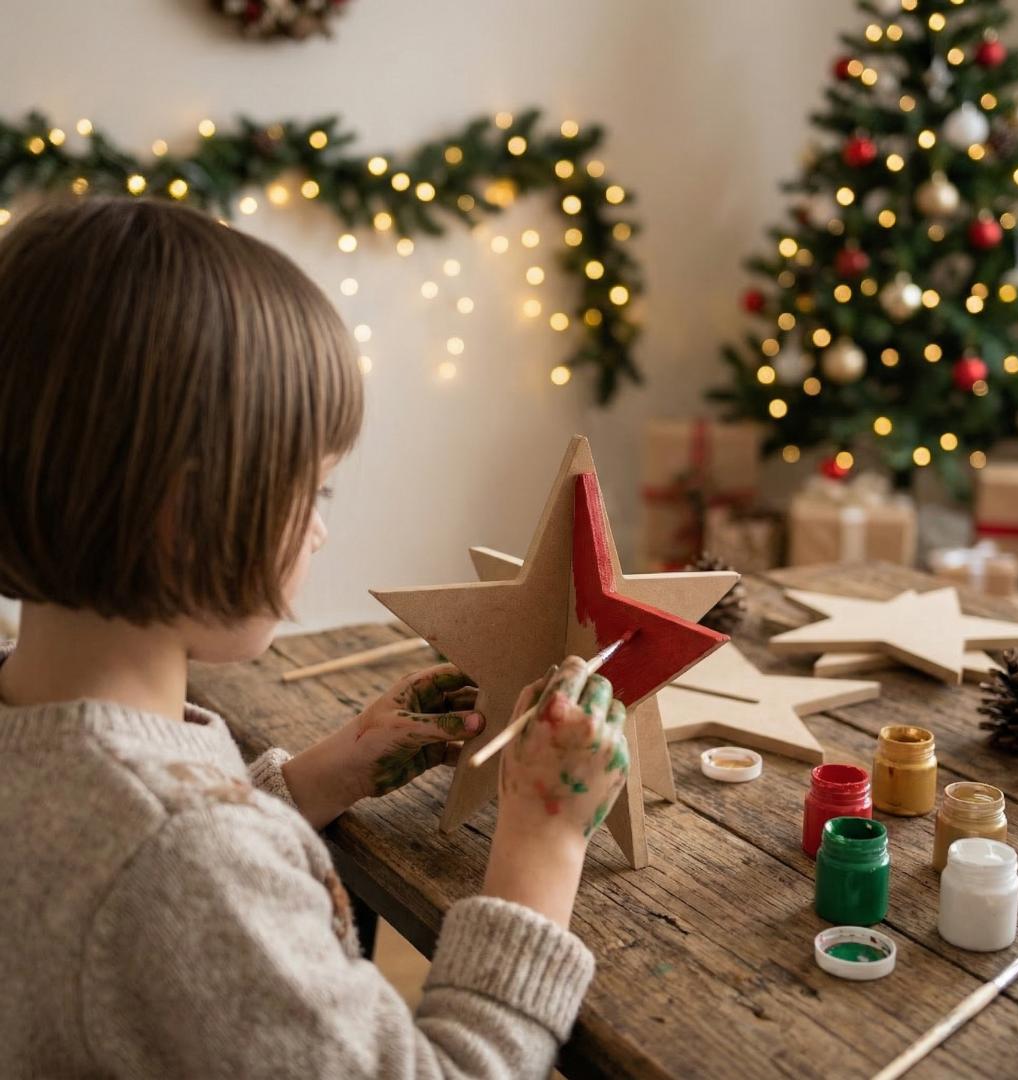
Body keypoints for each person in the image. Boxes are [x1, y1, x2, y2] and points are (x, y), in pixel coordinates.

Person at [0, 197, 630, 1078]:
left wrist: (309, 780)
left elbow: (129, 880)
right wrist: (546, 839)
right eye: (316, 492)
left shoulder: (39, 730)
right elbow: (179, 874)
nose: (321, 531)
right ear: (183, 514)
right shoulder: (189, 865)